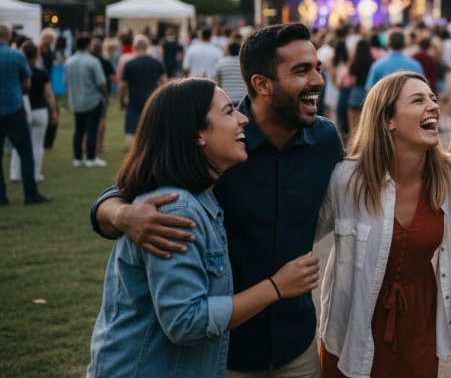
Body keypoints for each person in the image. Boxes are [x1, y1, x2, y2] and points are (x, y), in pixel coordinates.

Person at [91, 23, 343, 377]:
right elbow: (129, 190)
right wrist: (121, 215)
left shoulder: (326, 140)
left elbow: (366, 181)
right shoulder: (219, 144)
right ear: (261, 84)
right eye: (301, 70)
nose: (317, 80)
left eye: (317, 68)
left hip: (294, 341)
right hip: (223, 351)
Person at [317, 71, 451, 378]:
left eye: (433, 99)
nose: (433, 106)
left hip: (419, 320)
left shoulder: (450, 173)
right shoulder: (347, 180)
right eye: (418, 100)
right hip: (355, 320)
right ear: (388, 120)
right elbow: (301, 233)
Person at [0, 24, 50, 205]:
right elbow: (27, 82)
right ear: (8, 36)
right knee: (26, 151)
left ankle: (1, 196)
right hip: (13, 108)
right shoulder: (16, 55)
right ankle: (30, 193)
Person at [10, 41, 58, 184]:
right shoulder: (41, 71)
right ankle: (35, 174)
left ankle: (15, 173)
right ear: (36, 55)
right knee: (37, 144)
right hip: (40, 111)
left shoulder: (18, 71)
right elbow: (48, 94)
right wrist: (54, 111)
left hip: (22, 110)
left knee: (18, 144)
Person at [66, 34, 109, 167]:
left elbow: (66, 82)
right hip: (92, 100)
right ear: (88, 45)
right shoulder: (93, 61)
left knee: (78, 129)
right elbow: (101, 82)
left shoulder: (69, 61)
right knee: (91, 129)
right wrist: (105, 94)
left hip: (76, 100)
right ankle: (91, 158)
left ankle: (77, 158)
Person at [120, 35, 167, 149]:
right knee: (152, 131)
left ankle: (134, 158)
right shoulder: (157, 62)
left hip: (133, 102)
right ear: (148, 47)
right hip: (152, 102)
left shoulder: (129, 64)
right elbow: (165, 83)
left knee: (131, 132)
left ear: (134, 47)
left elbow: (122, 86)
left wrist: (122, 101)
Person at [347, 37, 374, 131]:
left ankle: (354, 145)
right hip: (368, 93)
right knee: (366, 125)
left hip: (356, 92)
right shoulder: (372, 62)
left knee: (353, 126)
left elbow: (350, 77)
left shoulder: (354, 62)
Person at [214, 41, 248, 105]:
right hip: (243, 99)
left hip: (227, 98)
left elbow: (217, 82)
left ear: (228, 50)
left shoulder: (221, 63)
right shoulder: (245, 62)